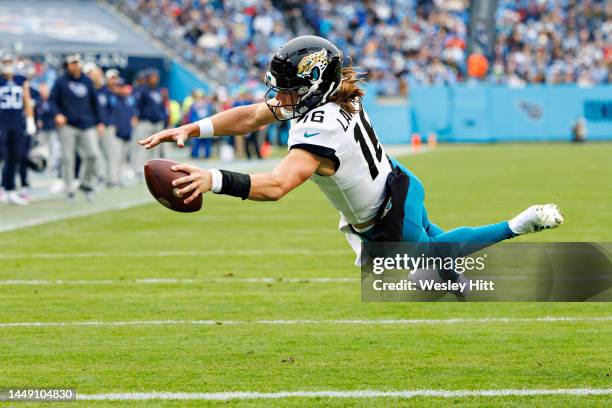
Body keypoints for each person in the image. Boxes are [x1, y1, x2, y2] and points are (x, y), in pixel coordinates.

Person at [139, 36, 564, 267]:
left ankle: (518, 224)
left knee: (428, 263)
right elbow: (252, 116)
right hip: (399, 184)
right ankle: (456, 275)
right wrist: (193, 128)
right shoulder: (341, 94)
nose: (282, 98)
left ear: (315, 84)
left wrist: (211, 179)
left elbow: (275, 186)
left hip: (386, 214)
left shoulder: (318, 128)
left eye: (290, 90)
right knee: (435, 248)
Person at [50, 54, 102, 202]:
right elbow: (52, 100)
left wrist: (99, 121)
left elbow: (94, 102)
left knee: (93, 155)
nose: (74, 65)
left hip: (87, 124)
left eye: (77, 63)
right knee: (68, 158)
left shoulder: (86, 81)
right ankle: (69, 190)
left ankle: (85, 183)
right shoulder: (61, 81)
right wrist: (57, 114)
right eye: (72, 63)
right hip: (68, 125)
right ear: (67, 65)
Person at [0, 52, 36, 205]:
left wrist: (30, 120)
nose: (8, 65)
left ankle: (10, 189)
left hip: (16, 123)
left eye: (9, 61)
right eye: (5, 62)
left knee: (15, 156)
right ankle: (4, 188)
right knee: (4, 156)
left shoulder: (20, 80)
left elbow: (26, 100)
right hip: (2, 122)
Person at [132, 69, 166, 178]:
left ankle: (152, 170)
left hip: (157, 123)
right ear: (147, 78)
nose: (154, 79)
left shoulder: (158, 91)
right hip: (145, 122)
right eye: (152, 77)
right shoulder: (142, 90)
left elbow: (162, 107)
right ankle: (139, 170)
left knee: (155, 148)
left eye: (155, 77)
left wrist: (163, 119)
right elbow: (136, 106)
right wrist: (135, 118)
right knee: (143, 147)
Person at [108, 78, 137, 187]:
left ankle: (118, 179)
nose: (122, 89)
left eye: (123, 86)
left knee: (122, 158)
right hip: (115, 132)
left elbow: (134, 115)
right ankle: (112, 179)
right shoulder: (112, 99)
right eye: (119, 86)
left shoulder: (129, 100)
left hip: (127, 132)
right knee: (114, 157)